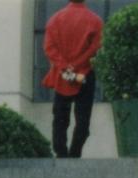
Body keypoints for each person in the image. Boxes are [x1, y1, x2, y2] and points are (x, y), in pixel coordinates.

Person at [43, 0, 103, 158]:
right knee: (83, 119)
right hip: (85, 73)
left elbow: (49, 48)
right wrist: (76, 65)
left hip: (63, 74)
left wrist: (65, 66)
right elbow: (95, 48)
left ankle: (61, 154)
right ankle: (75, 154)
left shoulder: (55, 19)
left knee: (60, 118)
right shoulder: (95, 20)